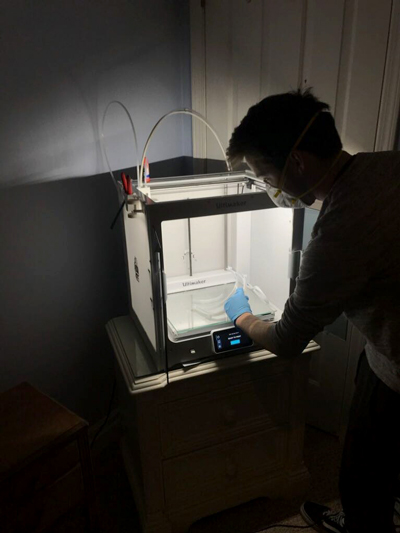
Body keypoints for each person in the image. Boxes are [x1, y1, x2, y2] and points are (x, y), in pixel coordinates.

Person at [224, 89, 400, 533]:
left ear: (298, 161)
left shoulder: (338, 235)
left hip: (396, 371)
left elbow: (285, 341)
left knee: (363, 478)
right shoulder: (386, 164)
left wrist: (241, 316)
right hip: (383, 351)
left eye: (266, 174)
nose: (269, 187)